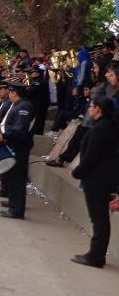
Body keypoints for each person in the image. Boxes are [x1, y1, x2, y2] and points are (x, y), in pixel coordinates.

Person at [70, 96, 119, 268]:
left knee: (99, 219)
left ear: (98, 109)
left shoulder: (102, 129)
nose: (89, 109)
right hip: (100, 179)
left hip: (98, 180)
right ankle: (96, 254)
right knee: (99, 219)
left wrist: (77, 172)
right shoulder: (106, 127)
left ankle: (96, 256)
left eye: (91, 106)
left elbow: (91, 157)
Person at [0, 79, 35, 219]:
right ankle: (12, 202)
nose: (8, 93)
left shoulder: (24, 107)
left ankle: (16, 209)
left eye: (10, 91)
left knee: (17, 178)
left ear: (14, 93)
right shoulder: (18, 104)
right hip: (11, 144)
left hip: (19, 147)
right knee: (11, 176)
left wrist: (4, 136)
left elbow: (20, 129)